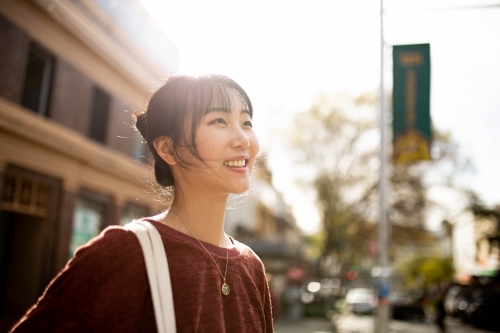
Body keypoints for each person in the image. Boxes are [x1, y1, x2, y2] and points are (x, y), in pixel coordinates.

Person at [10, 74, 273, 332]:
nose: (244, 140)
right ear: (168, 149)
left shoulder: (252, 266)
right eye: (219, 120)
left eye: (247, 123)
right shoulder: (124, 252)